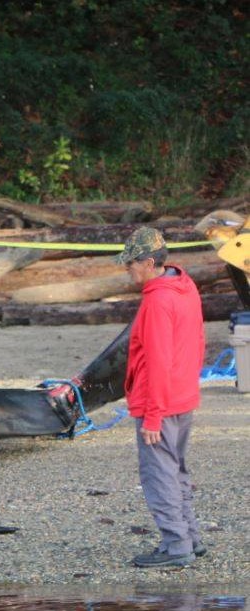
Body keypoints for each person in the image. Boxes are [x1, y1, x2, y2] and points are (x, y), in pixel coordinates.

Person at [116, 227, 206, 568]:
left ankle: (176, 546)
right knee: (177, 471)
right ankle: (190, 538)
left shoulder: (157, 301)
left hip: (161, 404)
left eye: (131, 264)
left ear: (149, 262)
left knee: (160, 475)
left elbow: (156, 362)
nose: (128, 271)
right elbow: (197, 341)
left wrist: (152, 416)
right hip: (183, 397)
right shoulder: (185, 286)